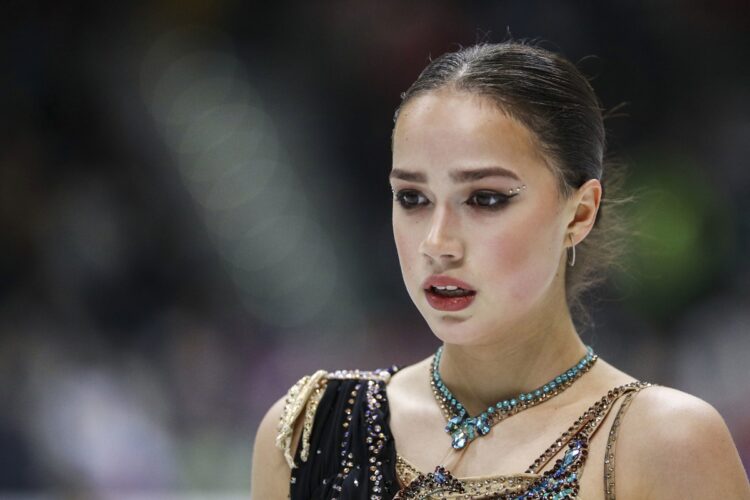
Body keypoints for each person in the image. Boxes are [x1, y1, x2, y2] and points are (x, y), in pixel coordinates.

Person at [251, 41, 750, 499]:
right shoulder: (309, 431)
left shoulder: (665, 443)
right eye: (413, 198)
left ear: (578, 214)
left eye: (485, 198)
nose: (437, 243)